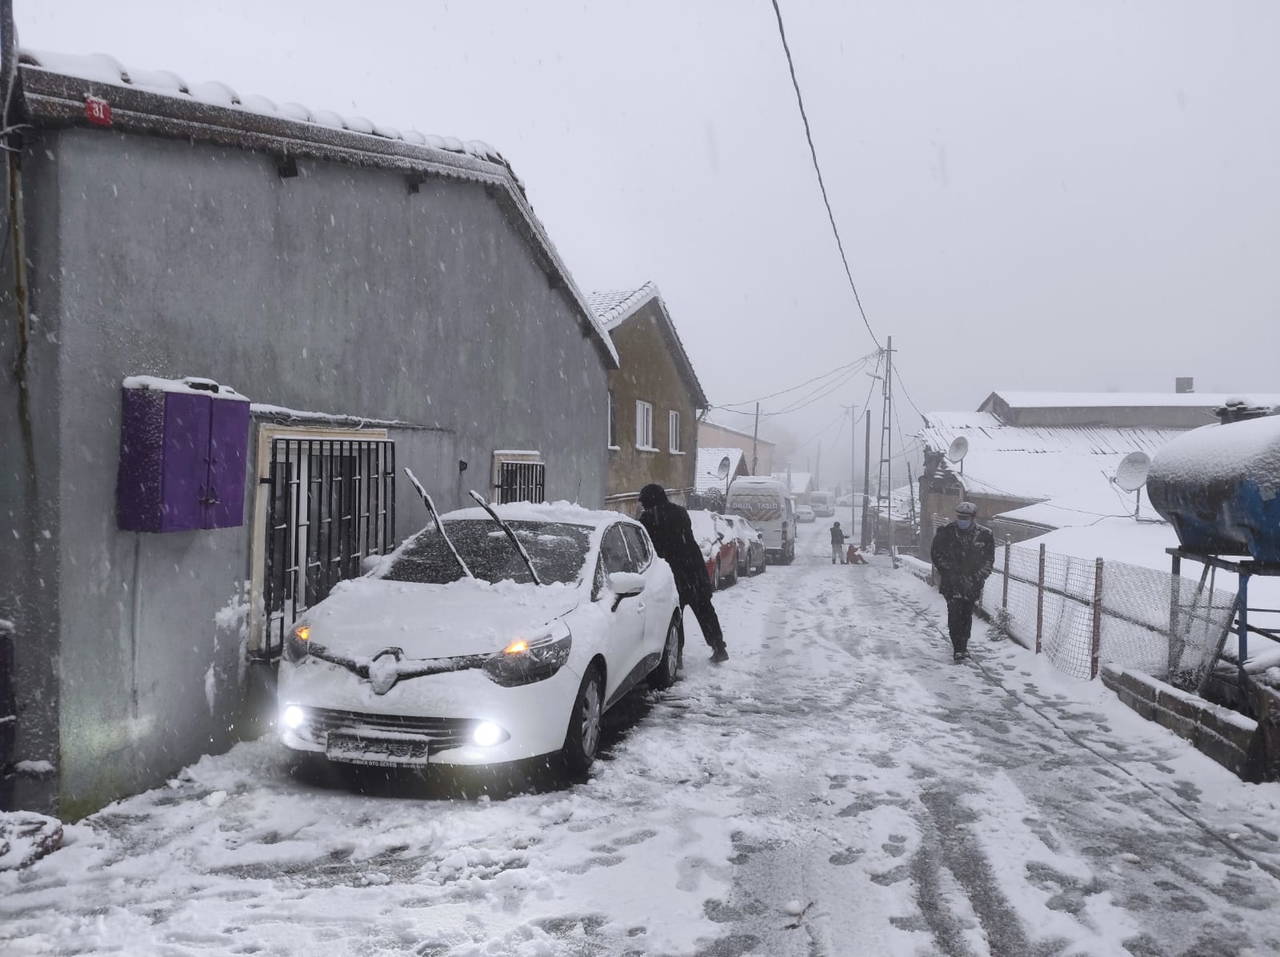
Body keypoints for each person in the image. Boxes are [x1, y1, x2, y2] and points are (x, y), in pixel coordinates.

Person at [638, 484, 729, 663]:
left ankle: (676, 654)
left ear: (650, 501)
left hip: (673, 574)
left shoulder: (649, 518)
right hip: (693, 570)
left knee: (675, 615)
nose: (643, 506)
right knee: (705, 611)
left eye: (644, 502)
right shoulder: (680, 512)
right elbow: (684, 538)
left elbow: (649, 547)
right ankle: (718, 647)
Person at [929, 501, 995, 661]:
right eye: (960, 517)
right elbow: (936, 554)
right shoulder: (946, 532)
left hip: (972, 584)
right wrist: (950, 572)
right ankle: (958, 648)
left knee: (966, 615)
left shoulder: (985, 535)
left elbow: (988, 560)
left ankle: (963, 644)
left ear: (973, 518)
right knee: (954, 614)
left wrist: (977, 577)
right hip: (951, 584)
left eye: (965, 517)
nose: (962, 520)